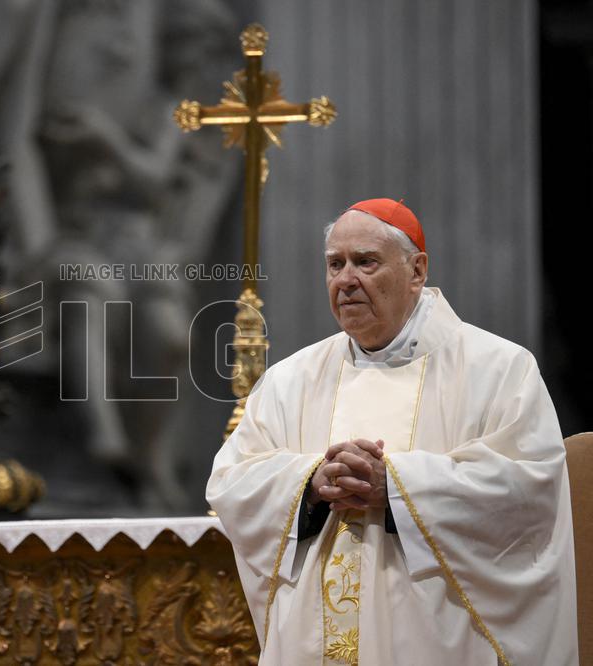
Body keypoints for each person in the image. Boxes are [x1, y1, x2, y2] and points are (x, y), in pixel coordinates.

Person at [206, 198, 577, 665]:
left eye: (365, 262)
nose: (346, 280)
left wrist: (396, 486)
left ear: (417, 271)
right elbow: (231, 481)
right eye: (335, 265)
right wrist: (311, 483)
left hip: (436, 636)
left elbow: (529, 487)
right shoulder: (289, 379)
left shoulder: (500, 369)